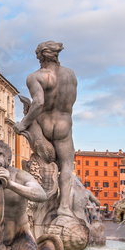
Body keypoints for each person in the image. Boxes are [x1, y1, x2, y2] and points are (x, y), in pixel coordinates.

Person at [13, 41, 78, 218]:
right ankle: (64, 207)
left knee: (40, 164)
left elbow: (39, 103)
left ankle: (37, 206)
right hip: (64, 124)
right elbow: (71, 102)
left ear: (41, 57)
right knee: (66, 166)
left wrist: (24, 123)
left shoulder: (35, 77)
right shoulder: (70, 75)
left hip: (43, 124)